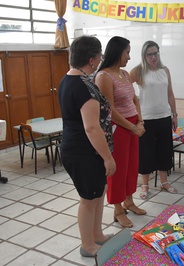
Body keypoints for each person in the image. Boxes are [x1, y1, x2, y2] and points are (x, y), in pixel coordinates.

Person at [58, 35, 116, 257]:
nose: (101, 59)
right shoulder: (83, 87)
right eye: (100, 55)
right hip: (83, 151)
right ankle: (87, 245)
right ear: (92, 60)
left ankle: (97, 235)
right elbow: (91, 128)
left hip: (83, 149)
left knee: (97, 193)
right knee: (88, 199)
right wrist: (107, 158)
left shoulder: (69, 80)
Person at [95, 36, 146, 228]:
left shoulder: (124, 74)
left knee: (132, 166)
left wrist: (140, 121)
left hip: (133, 126)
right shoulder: (103, 77)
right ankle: (118, 209)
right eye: (127, 52)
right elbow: (110, 110)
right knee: (118, 169)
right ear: (117, 52)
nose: (129, 57)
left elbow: (135, 100)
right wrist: (132, 127)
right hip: (119, 129)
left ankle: (129, 201)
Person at [129, 40, 178, 199]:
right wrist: (135, 111)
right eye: (150, 54)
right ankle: (145, 185)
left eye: (156, 53)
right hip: (146, 119)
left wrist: (174, 114)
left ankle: (164, 182)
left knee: (164, 150)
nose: (153, 57)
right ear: (144, 55)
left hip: (164, 116)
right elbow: (125, 91)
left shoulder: (165, 70)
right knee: (146, 152)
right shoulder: (138, 71)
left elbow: (170, 93)